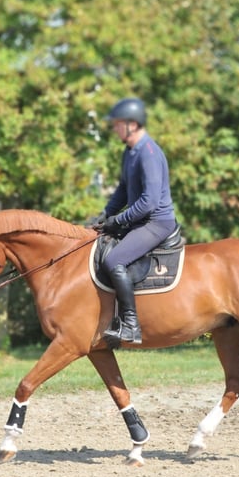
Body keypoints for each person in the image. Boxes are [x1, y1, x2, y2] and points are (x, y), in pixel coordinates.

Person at [93, 97, 177, 347]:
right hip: (139, 222)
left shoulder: (148, 153)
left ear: (132, 124)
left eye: (118, 124)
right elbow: (123, 189)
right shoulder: (130, 152)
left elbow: (149, 202)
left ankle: (131, 324)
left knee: (114, 260)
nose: (115, 129)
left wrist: (118, 221)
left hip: (156, 222)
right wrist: (105, 215)